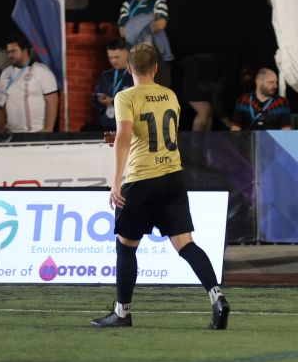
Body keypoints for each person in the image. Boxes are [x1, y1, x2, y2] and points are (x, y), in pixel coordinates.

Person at [91, 42, 230, 330]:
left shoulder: (125, 96)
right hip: (173, 178)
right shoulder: (170, 95)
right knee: (186, 244)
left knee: (126, 246)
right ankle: (217, 297)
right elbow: (155, 132)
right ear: (155, 68)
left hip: (142, 180)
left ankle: (122, 313)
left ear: (130, 69)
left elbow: (125, 137)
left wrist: (115, 182)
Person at [118, 0, 172, 87]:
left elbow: (160, 24)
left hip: (155, 56)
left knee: (159, 91)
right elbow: (123, 32)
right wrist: (148, 20)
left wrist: (134, 26)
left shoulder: (159, 2)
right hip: (133, 57)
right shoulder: (127, 5)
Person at [0, 35, 59, 133]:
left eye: (13, 51)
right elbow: (0, 104)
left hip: (37, 132)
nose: (10, 55)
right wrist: (1, 130)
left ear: (25, 51)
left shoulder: (42, 71)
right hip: (12, 132)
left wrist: (48, 130)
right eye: (8, 52)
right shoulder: (5, 73)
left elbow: (52, 102)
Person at [92, 39, 134, 132]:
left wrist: (115, 101)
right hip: (107, 126)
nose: (113, 61)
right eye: (110, 58)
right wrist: (99, 100)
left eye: (117, 57)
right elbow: (95, 101)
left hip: (129, 128)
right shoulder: (105, 76)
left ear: (127, 54)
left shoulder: (136, 76)